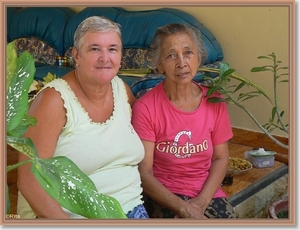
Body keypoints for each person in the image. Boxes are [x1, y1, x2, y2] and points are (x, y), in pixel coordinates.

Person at [17, 16, 149, 219]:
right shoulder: (54, 101)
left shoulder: (121, 89)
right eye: (95, 49)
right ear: (76, 55)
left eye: (112, 49)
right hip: (73, 217)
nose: (105, 58)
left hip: (131, 210)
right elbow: (29, 180)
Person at [131, 23, 237, 219]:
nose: (181, 63)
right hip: (163, 195)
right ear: (159, 64)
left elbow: (221, 158)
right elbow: (144, 172)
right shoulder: (145, 108)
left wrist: (201, 202)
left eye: (188, 53)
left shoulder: (215, 101)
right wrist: (183, 208)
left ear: (199, 57)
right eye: (171, 55)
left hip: (206, 193)